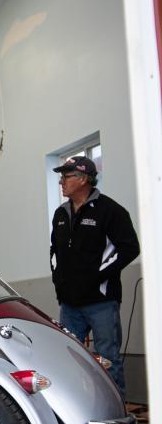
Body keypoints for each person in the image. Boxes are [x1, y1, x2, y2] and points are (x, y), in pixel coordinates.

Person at [50, 155, 140, 397]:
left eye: (66, 176)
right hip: (69, 304)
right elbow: (54, 252)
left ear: (83, 179)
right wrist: (59, 283)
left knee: (107, 359)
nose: (61, 182)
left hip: (101, 302)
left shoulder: (110, 211)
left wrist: (95, 277)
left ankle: (115, 410)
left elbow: (129, 248)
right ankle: (79, 411)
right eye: (61, 177)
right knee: (70, 358)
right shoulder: (60, 214)